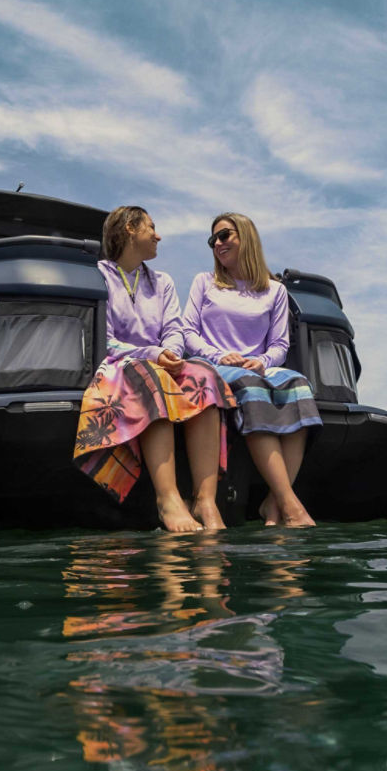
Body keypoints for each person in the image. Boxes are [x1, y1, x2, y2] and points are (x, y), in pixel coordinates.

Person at [74, 206, 236, 532]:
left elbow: (174, 330)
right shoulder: (97, 276)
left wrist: (173, 353)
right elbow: (105, 341)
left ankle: (205, 500)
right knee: (151, 376)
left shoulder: (162, 282)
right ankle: (168, 500)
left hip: (162, 362)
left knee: (204, 375)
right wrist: (154, 354)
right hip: (119, 367)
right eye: (152, 227)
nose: (158, 235)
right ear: (131, 228)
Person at [182, 213, 321, 527]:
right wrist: (220, 355)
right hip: (216, 366)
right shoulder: (204, 282)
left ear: (246, 237)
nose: (217, 244)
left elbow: (279, 345)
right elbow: (188, 333)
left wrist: (263, 361)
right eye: (212, 240)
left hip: (258, 366)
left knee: (300, 386)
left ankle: (273, 502)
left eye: (224, 235)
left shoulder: (275, 291)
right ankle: (291, 506)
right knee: (251, 387)